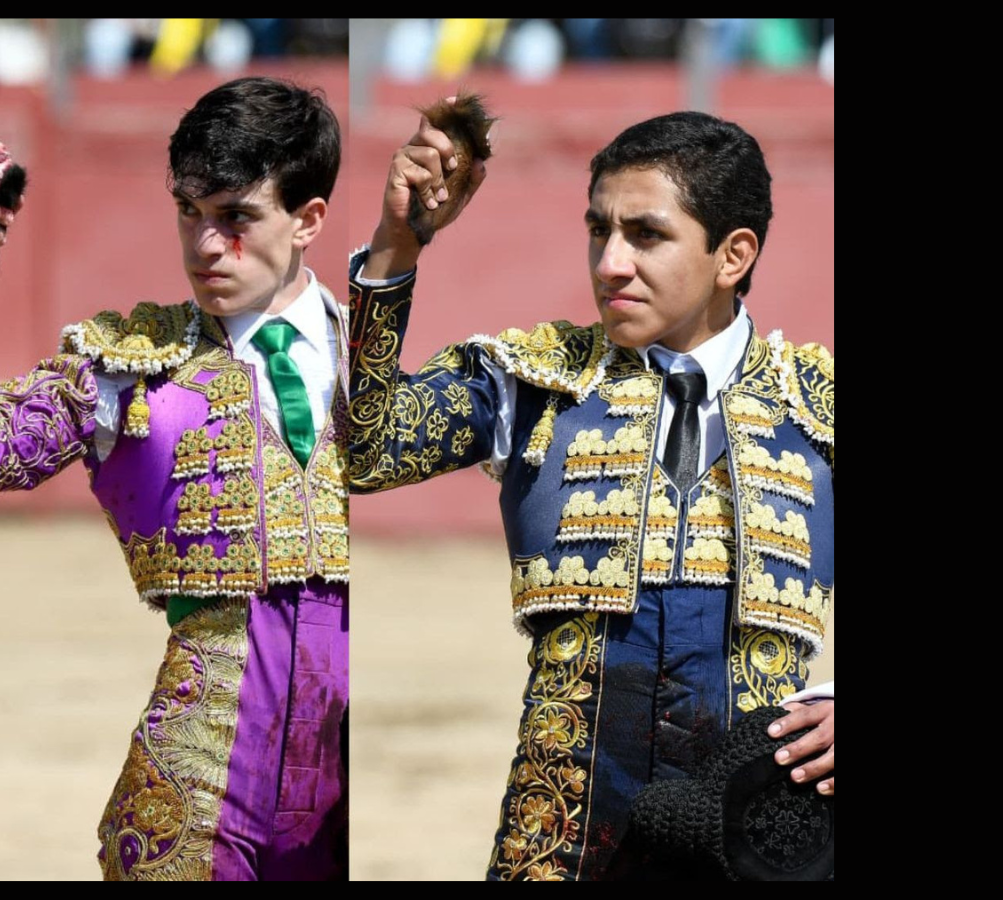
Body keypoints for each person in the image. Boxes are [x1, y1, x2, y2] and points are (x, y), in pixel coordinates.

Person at [347, 108, 833, 880]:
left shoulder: (819, 406)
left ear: (734, 254)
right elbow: (366, 452)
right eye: (598, 230)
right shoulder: (537, 382)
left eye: (646, 235)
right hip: (563, 841)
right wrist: (399, 245)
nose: (610, 264)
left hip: (754, 841)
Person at [0, 76, 349, 881]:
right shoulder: (125, 366)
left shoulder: (373, 353)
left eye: (237, 217)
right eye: (189, 211)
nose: (206, 246)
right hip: (201, 776)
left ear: (308, 219)